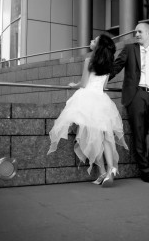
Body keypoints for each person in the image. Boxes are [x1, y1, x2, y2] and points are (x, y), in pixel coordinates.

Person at [47, 33, 129, 187]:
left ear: (97, 46)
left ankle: (103, 172)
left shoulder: (89, 60)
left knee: (93, 138)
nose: (91, 41)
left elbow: (84, 84)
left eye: (94, 40)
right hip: (101, 100)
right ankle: (110, 170)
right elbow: (104, 87)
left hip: (87, 100)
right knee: (105, 137)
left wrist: (74, 84)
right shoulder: (108, 64)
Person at [109, 22, 149, 183]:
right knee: (139, 132)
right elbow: (116, 66)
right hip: (136, 94)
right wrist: (100, 78)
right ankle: (145, 170)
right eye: (135, 32)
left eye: (140, 32)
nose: (136, 34)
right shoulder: (129, 49)